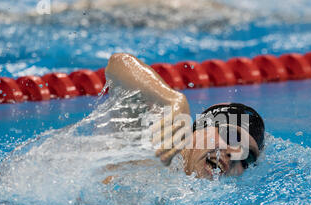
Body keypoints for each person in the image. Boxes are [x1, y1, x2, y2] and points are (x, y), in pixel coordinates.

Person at [104, 53, 265, 179]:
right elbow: (119, 63)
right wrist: (174, 100)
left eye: (247, 158)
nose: (234, 154)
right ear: (201, 128)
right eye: (231, 136)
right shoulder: (153, 140)